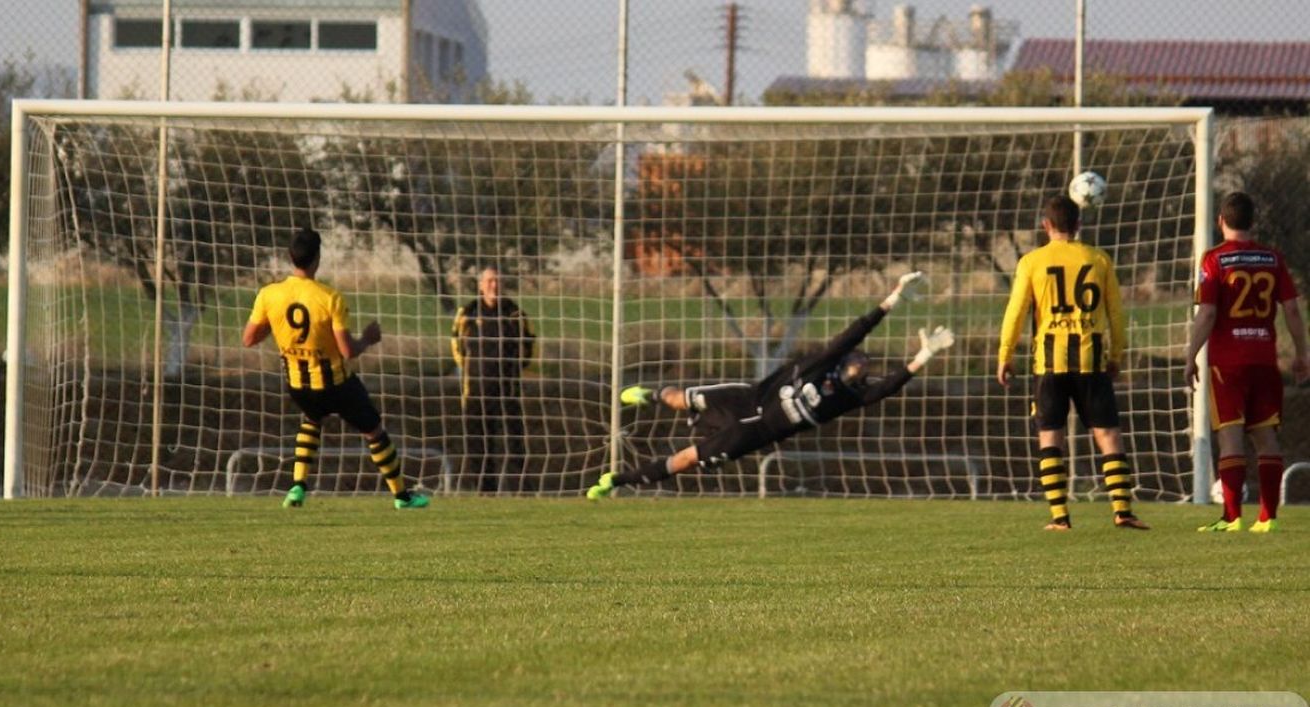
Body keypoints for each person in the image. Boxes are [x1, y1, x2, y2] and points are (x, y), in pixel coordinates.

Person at [585, 271, 953, 499]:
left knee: (685, 460)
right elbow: (855, 331)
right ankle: (648, 395)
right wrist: (892, 299)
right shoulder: (820, 365)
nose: (862, 361)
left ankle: (615, 480)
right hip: (743, 401)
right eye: (858, 357)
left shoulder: (844, 399)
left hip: (751, 435)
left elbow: (886, 389)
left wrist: (923, 356)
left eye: (866, 363)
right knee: (680, 399)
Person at [242, 227, 429, 509]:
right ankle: (402, 496)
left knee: (311, 419)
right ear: (317, 258)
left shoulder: (270, 295)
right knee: (374, 432)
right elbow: (348, 351)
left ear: (291, 258)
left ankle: (297, 487)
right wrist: (368, 338)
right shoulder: (330, 298)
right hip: (336, 384)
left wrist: (278, 327)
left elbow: (249, 339)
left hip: (297, 385)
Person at [997, 195, 1148, 530]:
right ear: (1079, 225)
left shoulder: (1032, 262)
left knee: (1050, 437)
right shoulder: (1098, 259)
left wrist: (1005, 355)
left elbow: (1016, 312)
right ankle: (1122, 511)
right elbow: (1116, 315)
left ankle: (1060, 517)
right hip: (1091, 361)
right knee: (1108, 434)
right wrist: (1116, 355)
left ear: (1046, 225)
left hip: (1049, 365)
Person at [1184, 191, 1309, 533]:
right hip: (1265, 360)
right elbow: (1293, 310)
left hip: (1228, 364)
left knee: (1231, 437)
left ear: (1220, 221)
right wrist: (1302, 353)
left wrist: (1190, 354)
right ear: (1252, 222)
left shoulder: (1214, 259)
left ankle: (1232, 516)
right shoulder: (1273, 257)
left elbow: (1207, 313)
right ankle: (1268, 517)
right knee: (1266, 437)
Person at [450, 266, 536, 493]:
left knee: (515, 443)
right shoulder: (467, 313)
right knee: (479, 446)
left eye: (497, 281)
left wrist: (513, 368)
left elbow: (528, 347)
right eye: (489, 281)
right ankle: (484, 492)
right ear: (480, 285)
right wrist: (474, 370)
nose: (493, 286)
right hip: (476, 391)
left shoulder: (515, 313)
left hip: (508, 390)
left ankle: (522, 491)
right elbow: (457, 348)